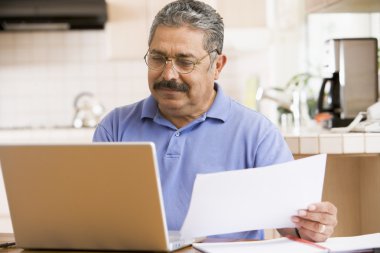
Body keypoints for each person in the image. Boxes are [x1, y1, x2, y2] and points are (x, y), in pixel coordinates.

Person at [93, 0, 337, 242]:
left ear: (217, 65)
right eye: (158, 58)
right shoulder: (115, 127)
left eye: (185, 62)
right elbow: (95, 216)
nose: (168, 74)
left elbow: (293, 226)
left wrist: (312, 226)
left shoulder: (256, 133)